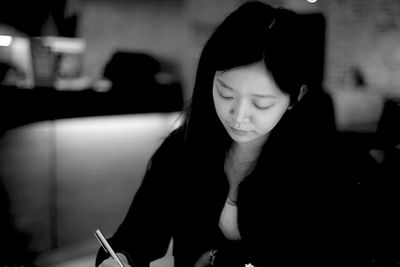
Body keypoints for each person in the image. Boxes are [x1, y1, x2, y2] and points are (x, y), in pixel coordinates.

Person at [96, 1, 399, 267]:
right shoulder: (183, 149)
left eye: (261, 103)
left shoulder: (325, 167)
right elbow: (135, 236)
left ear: (296, 97)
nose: (239, 116)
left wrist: (223, 258)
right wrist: (120, 257)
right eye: (225, 93)